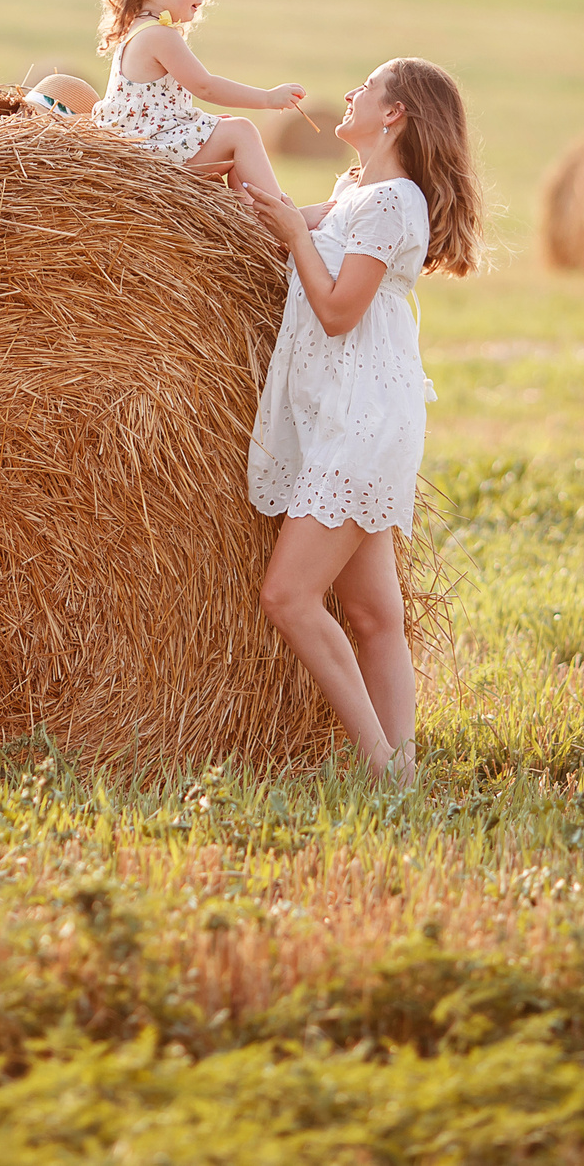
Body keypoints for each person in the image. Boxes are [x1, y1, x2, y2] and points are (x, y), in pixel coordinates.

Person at [240, 58, 483, 787]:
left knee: (287, 596)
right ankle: (403, 775)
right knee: (375, 616)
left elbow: (339, 310)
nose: (347, 94)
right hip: (339, 415)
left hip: (362, 418)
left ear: (394, 114)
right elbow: (274, 214)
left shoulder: (394, 202)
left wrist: (293, 235)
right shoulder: (357, 191)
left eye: (364, 87)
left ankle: (383, 771)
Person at [89, 0, 303, 198]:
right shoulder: (159, 36)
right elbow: (206, 87)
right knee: (242, 132)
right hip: (148, 157)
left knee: (229, 132)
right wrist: (267, 99)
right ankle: (286, 215)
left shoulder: (141, 29)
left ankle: (253, 221)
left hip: (148, 148)